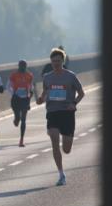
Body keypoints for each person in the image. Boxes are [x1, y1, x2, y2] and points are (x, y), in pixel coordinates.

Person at [36, 48, 85, 186]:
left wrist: (74, 103)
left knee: (66, 149)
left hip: (67, 113)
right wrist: (41, 99)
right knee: (54, 139)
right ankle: (61, 174)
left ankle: (66, 140)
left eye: (58, 61)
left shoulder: (71, 76)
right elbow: (45, 92)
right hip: (52, 112)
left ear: (63, 61)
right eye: (53, 62)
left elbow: (81, 93)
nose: (55, 64)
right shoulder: (47, 77)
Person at [8, 60, 35, 147]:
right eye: (21, 66)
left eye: (24, 66)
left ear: (26, 66)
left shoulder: (29, 75)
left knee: (23, 119)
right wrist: (13, 93)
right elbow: (8, 86)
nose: (22, 67)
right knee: (18, 118)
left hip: (24, 99)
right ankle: (16, 119)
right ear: (18, 66)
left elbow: (31, 86)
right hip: (16, 98)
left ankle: (21, 140)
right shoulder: (13, 75)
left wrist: (30, 94)